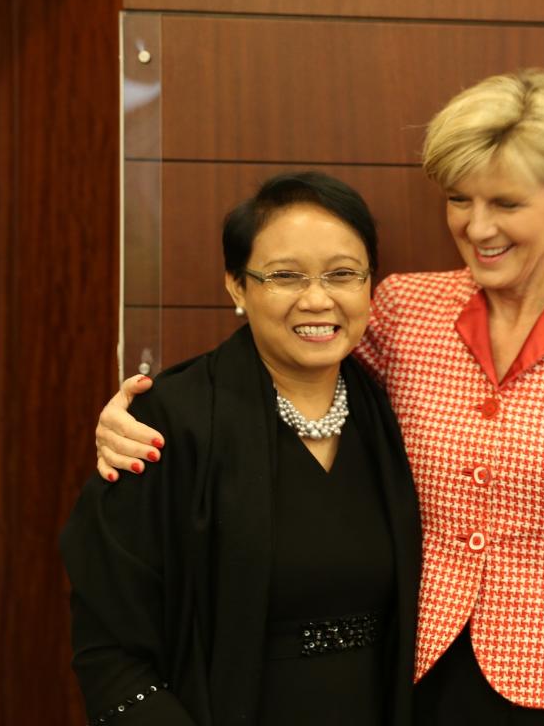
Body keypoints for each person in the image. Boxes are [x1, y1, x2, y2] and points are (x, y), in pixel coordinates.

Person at [95, 70, 544, 725]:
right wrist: (132, 416)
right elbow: (286, 355)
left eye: (506, 203)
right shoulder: (406, 306)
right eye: (460, 199)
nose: (477, 226)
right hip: (414, 664)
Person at [64, 172, 422, 726]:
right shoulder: (168, 423)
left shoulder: (394, 410)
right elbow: (109, 647)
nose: (318, 299)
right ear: (237, 285)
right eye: (285, 276)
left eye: (343, 274)